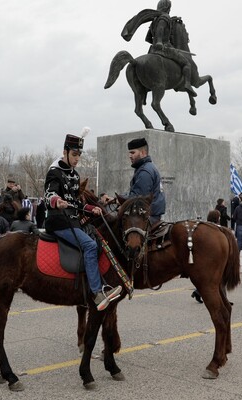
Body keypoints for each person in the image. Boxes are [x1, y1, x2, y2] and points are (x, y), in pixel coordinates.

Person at [44, 130, 122, 311]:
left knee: (99, 240)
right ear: (65, 152)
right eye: (74, 154)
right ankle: (96, 293)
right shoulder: (54, 172)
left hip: (73, 221)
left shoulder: (75, 175)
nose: (77, 158)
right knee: (89, 245)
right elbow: (50, 194)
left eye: (79, 155)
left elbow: (75, 203)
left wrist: (91, 209)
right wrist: (57, 201)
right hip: (58, 221)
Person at [123, 0, 196, 97]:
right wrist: (160, 41)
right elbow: (161, 29)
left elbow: (148, 38)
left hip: (152, 50)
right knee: (186, 63)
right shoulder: (165, 17)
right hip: (164, 48)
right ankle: (187, 84)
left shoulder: (154, 20)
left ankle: (144, 92)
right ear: (168, 8)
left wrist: (155, 41)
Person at [120, 138, 165, 225]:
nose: (130, 155)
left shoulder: (145, 171)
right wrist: (116, 199)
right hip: (151, 215)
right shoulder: (146, 167)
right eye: (129, 153)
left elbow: (138, 198)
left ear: (143, 153)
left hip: (148, 217)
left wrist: (120, 200)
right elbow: (135, 192)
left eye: (133, 152)